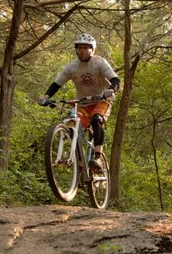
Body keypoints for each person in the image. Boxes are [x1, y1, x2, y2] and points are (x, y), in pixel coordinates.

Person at [39, 33, 120, 172]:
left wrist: (111, 90)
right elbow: (56, 84)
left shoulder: (100, 62)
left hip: (102, 100)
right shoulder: (72, 67)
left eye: (86, 48)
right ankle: (79, 161)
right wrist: (46, 97)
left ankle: (98, 157)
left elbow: (115, 80)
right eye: (80, 47)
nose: (82, 50)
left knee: (96, 119)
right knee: (72, 127)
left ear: (92, 50)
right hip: (82, 104)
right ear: (76, 50)